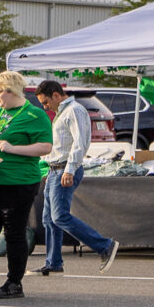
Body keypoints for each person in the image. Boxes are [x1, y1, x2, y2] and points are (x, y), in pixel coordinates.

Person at [0, 71, 54, 300]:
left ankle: (14, 283)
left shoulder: (35, 115)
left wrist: (13, 149)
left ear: (12, 91)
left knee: (14, 233)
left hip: (17, 182)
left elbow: (45, 146)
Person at [35, 80, 119, 275]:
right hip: (54, 169)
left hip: (65, 169)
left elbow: (80, 143)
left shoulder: (74, 110)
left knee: (60, 216)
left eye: (46, 102)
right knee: (48, 219)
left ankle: (105, 245)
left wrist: (69, 170)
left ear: (56, 95)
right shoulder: (62, 112)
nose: (45, 107)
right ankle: (53, 262)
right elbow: (60, 145)